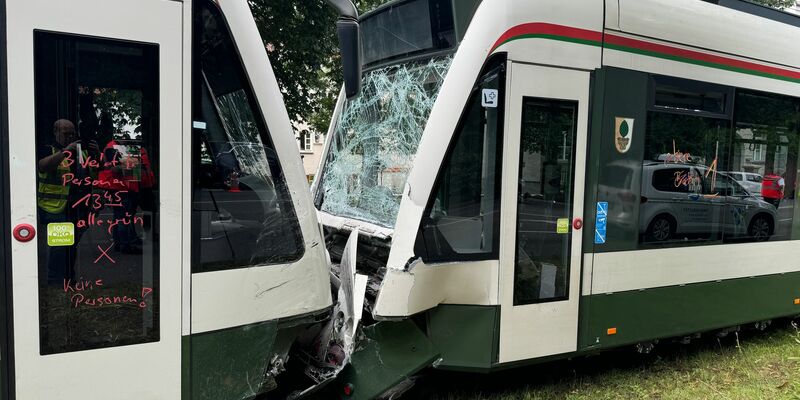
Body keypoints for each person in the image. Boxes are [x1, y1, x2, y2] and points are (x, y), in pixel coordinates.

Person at [37, 119, 99, 284]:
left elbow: (93, 176)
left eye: (72, 133)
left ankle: (68, 281)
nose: (70, 137)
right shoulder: (47, 149)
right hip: (56, 209)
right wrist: (64, 152)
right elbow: (42, 166)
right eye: (66, 133)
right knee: (59, 249)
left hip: (78, 208)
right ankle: (56, 285)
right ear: (55, 133)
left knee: (70, 247)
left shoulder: (81, 152)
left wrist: (96, 155)